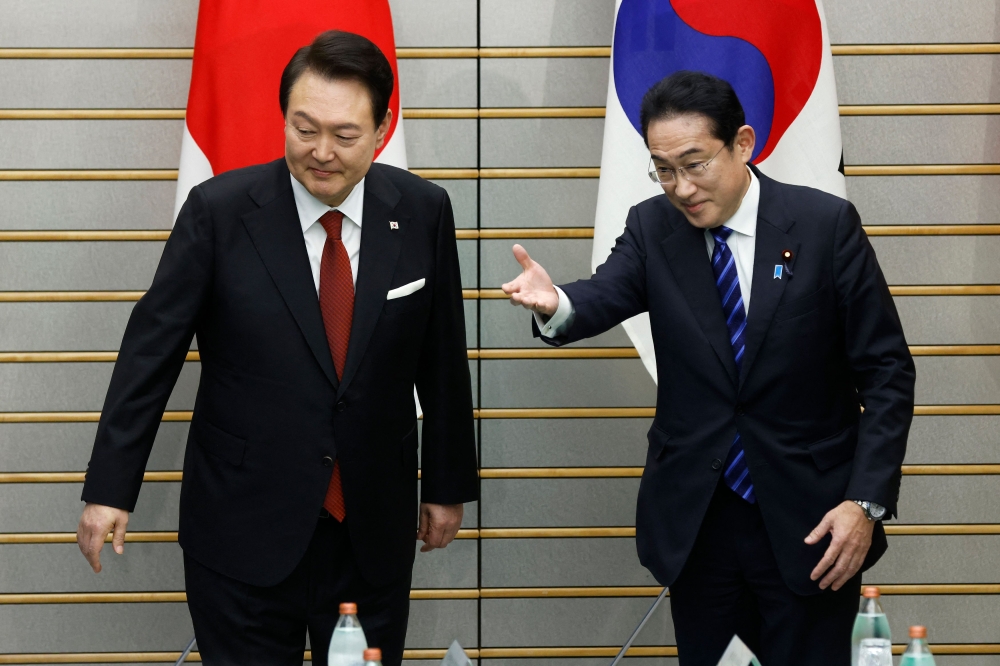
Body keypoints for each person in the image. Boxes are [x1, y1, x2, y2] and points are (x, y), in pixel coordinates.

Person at [75, 30, 478, 666]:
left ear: (382, 129)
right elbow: (150, 352)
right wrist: (109, 488)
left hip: (371, 526)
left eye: (345, 135)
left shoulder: (423, 211)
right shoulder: (220, 212)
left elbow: (442, 357)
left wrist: (448, 484)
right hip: (242, 525)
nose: (321, 152)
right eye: (303, 128)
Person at [502, 71, 915, 665]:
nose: (681, 186)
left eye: (695, 164)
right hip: (700, 521)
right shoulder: (652, 227)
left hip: (813, 520)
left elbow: (887, 373)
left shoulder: (823, 226)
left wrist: (865, 504)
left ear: (742, 143)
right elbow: (602, 295)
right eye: (663, 168)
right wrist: (556, 304)